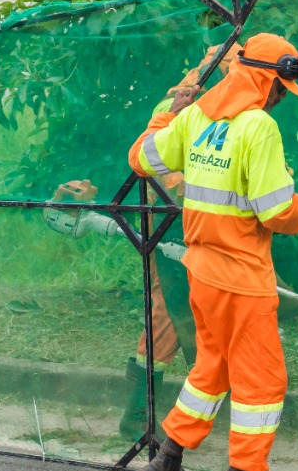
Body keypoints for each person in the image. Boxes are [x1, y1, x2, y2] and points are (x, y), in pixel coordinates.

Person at [126, 32, 298, 471]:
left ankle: (167, 460)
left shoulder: (197, 117)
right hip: (242, 278)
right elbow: (277, 210)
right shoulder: (258, 128)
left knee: (211, 369)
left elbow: (142, 158)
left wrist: (169, 110)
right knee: (263, 380)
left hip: (202, 274)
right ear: (261, 78)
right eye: (278, 87)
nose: (280, 97)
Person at [43, 47, 239, 439]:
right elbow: (165, 166)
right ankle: (137, 417)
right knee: (167, 317)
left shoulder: (224, 104)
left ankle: (205, 409)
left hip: (198, 229)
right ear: (223, 70)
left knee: (208, 316)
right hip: (172, 228)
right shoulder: (186, 103)